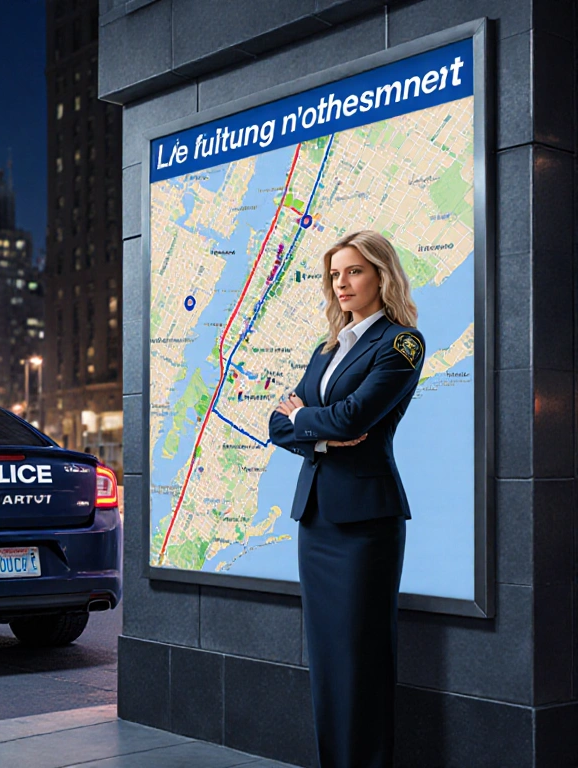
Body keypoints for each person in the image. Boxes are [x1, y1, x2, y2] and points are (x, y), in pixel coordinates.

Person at [268, 230, 424, 768]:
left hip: (365, 523)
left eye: (354, 271)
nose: (342, 283)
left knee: (362, 657)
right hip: (316, 520)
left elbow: (355, 417)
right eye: (334, 274)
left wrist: (308, 421)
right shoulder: (327, 349)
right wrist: (321, 433)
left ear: (381, 275)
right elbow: (277, 424)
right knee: (328, 659)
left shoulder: (401, 343)